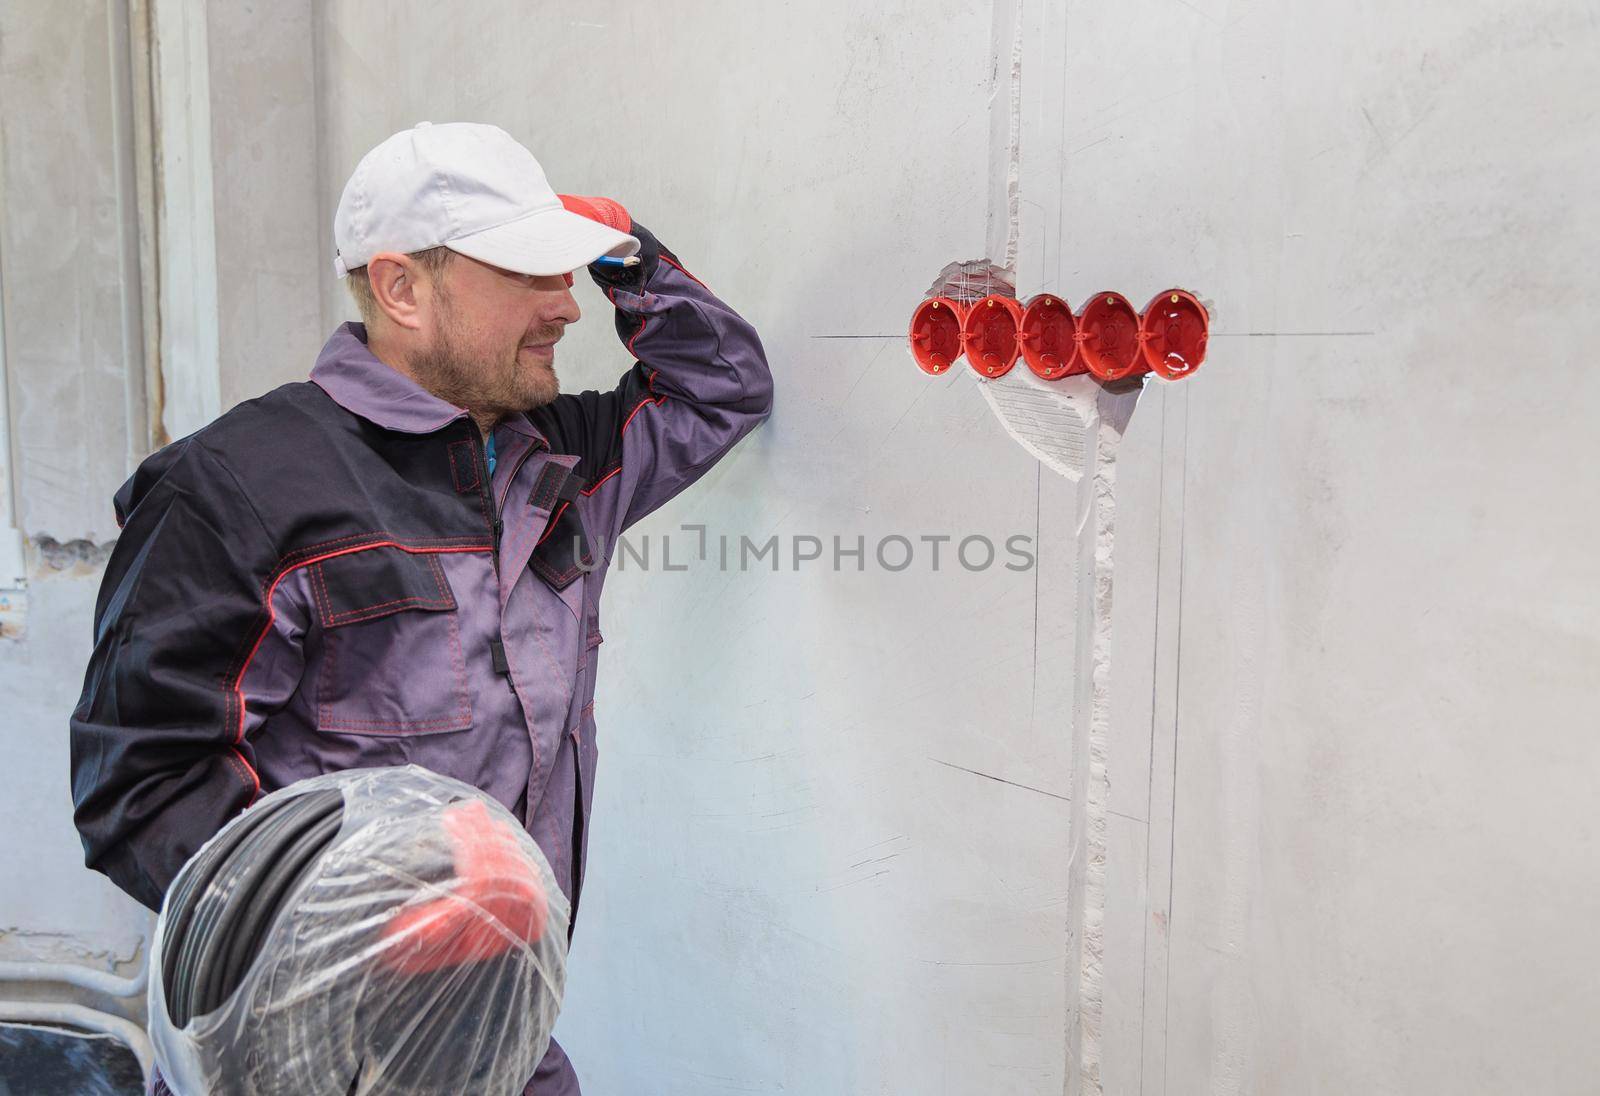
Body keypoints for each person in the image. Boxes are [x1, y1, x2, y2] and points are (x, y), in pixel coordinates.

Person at [69, 121, 774, 1094]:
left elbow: (721, 387)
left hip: (498, 1025)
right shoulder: (237, 486)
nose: (565, 306)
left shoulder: (561, 458)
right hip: (301, 1044)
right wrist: (365, 911)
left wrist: (630, 254)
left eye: (565, 273)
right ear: (402, 289)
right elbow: (139, 785)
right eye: (530, 274)